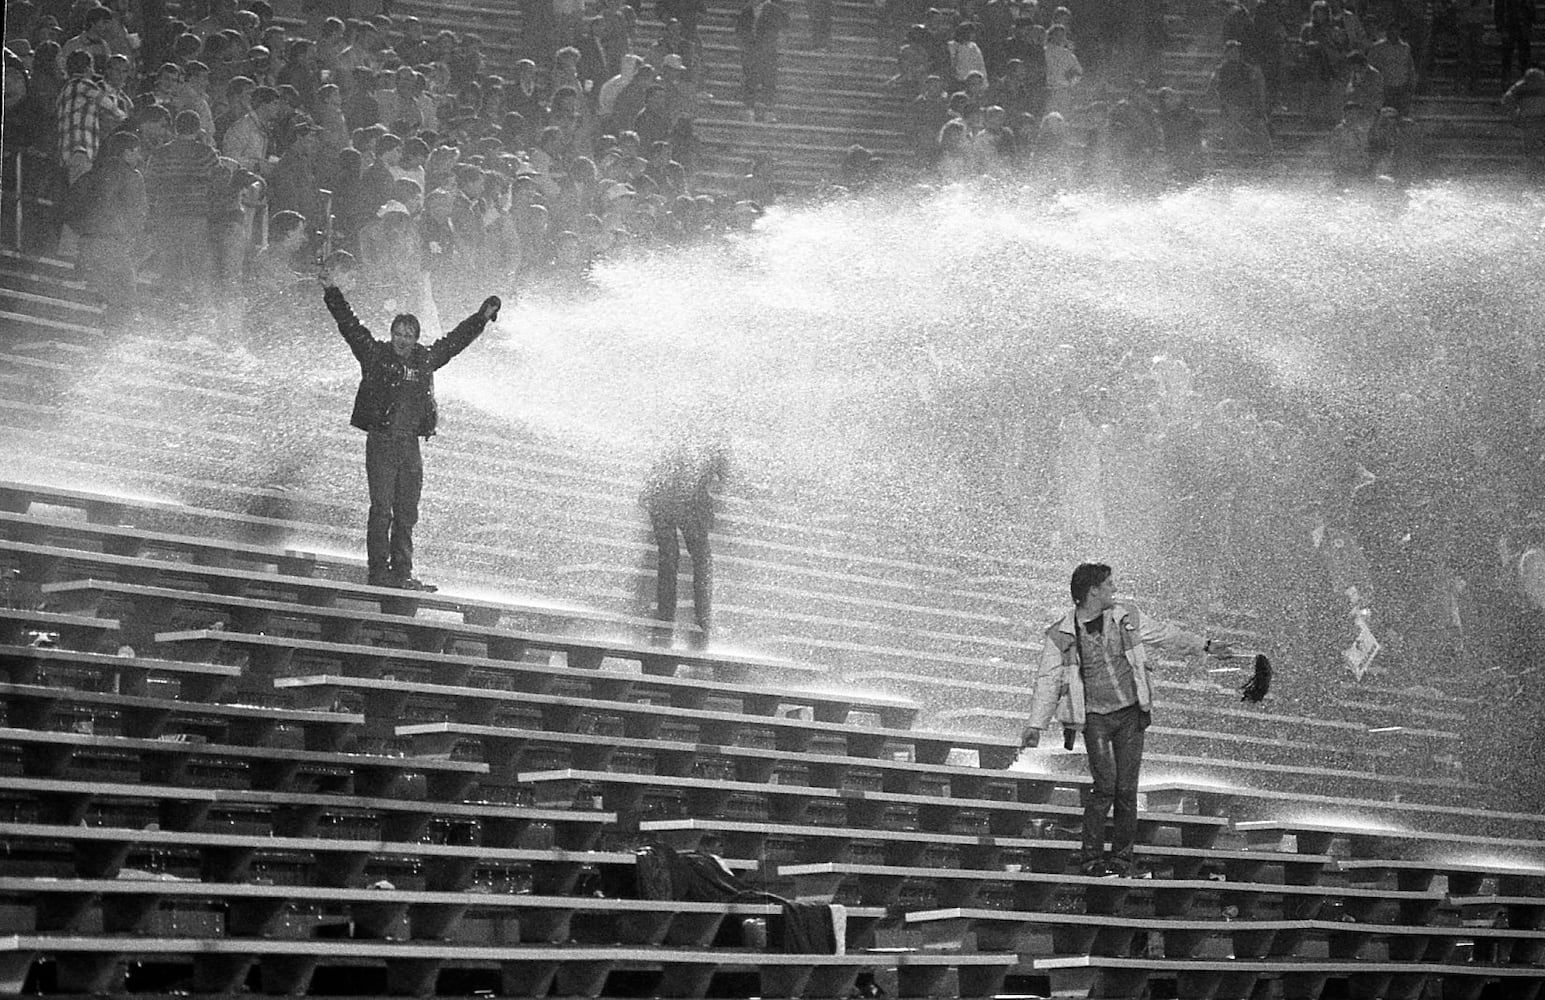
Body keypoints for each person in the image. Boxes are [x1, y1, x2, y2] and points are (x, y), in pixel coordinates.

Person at [1020, 563, 1233, 877]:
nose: (1114, 589)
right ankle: (1090, 859)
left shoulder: (1126, 616)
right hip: (1094, 718)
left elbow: (1165, 635)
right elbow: (1048, 680)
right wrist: (1036, 724)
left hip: (1130, 713)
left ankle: (1121, 860)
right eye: (1108, 584)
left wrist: (1205, 645)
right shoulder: (1062, 634)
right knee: (1105, 787)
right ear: (1093, 591)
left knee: (1126, 789)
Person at [319, 257, 502, 590]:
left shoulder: (426, 360)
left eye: (409, 335)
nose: (403, 339)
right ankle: (378, 571)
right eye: (398, 333)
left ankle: (402, 572)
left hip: (410, 445)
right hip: (382, 442)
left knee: (406, 512)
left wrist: (481, 318)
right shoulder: (374, 354)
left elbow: (454, 342)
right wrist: (332, 291)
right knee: (381, 509)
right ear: (390, 335)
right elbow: (349, 324)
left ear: (417, 338)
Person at [641, 422, 729, 643]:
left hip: (672, 502)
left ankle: (674, 620)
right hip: (684, 504)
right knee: (694, 560)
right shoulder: (712, 442)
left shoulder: (684, 438)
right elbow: (723, 477)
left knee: (675, 559)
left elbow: (658, 468)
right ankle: (697, 621)